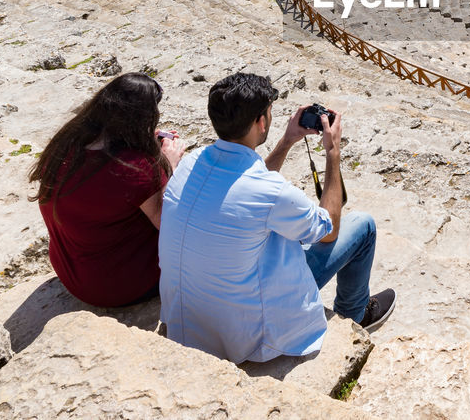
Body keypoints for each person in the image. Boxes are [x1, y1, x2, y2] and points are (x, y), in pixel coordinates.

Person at [159, 72, 394, 364]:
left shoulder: (190, 163)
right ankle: (356, 313)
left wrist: (287, 141)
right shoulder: (271, 193)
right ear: (261, 122)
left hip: (187, 320)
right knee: (363, 225)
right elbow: (328, 230)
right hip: (244, 334)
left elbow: (245, 186)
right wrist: (332, 152)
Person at [29, 72, 185, 307]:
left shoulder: (66, 143)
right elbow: (170, 224)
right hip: (118, 287)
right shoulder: (136, 168)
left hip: (69, 271)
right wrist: (169, 164)